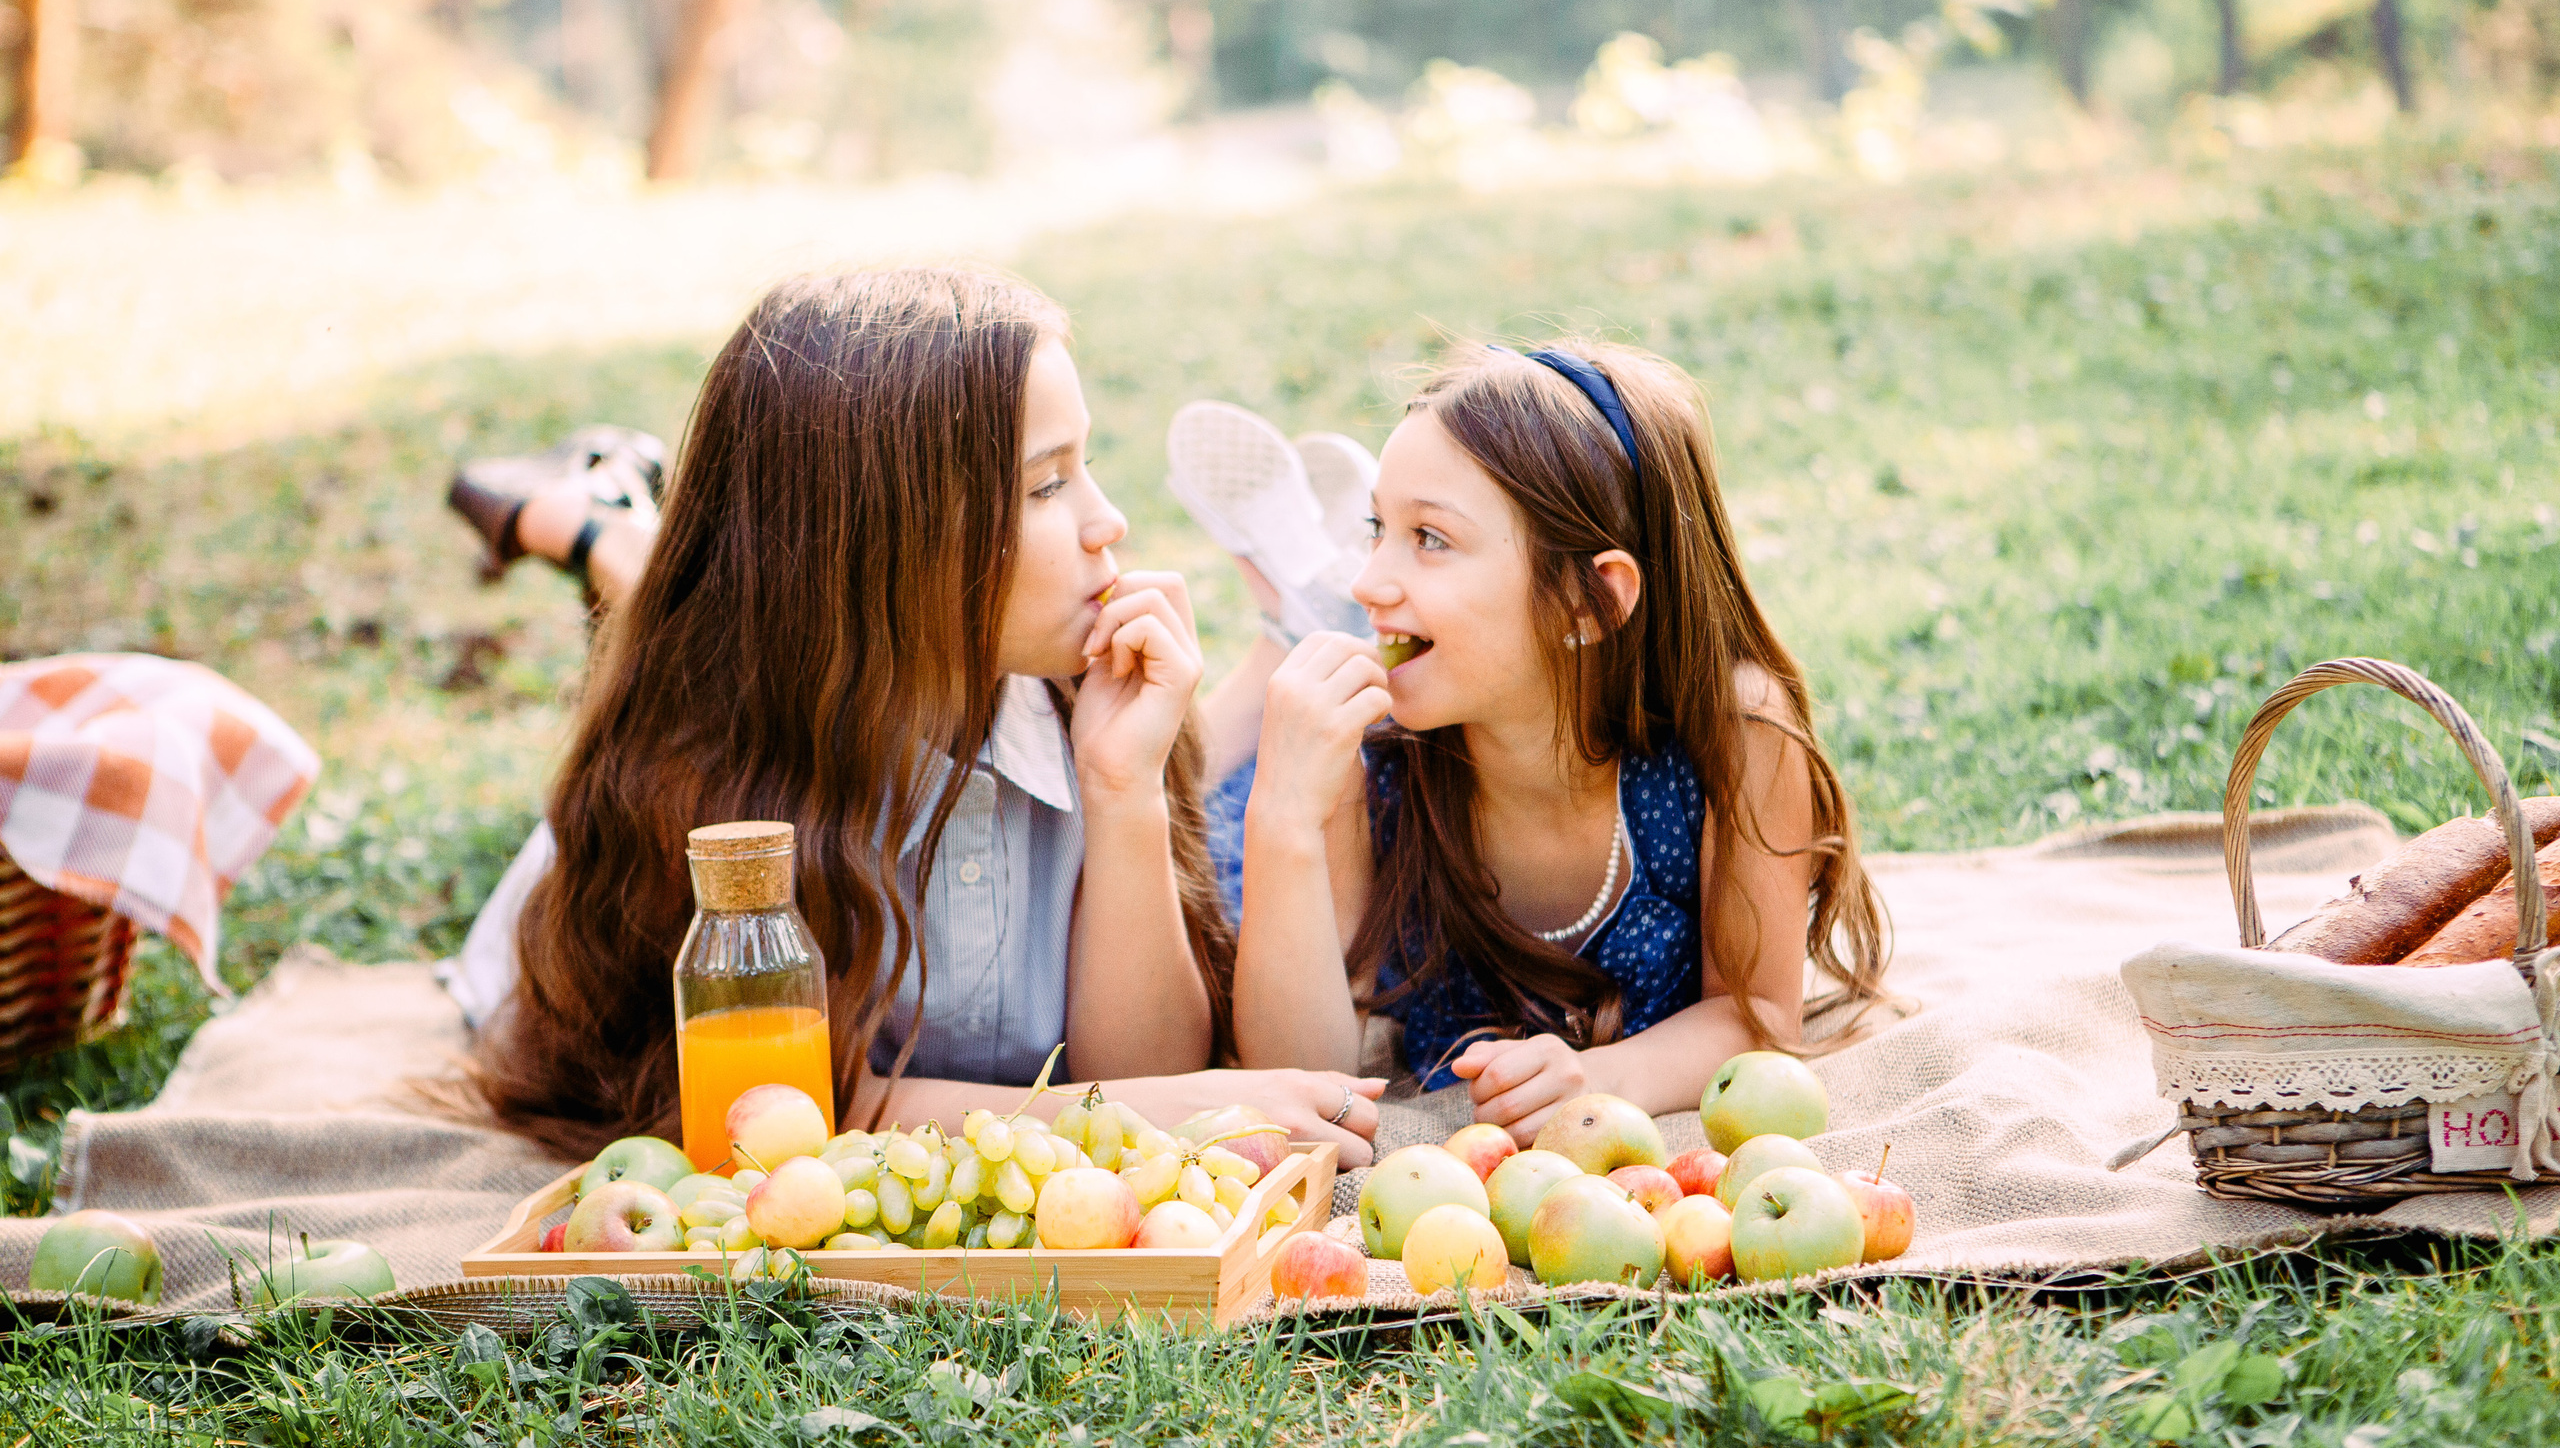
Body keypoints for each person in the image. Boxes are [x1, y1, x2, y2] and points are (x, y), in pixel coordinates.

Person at [446, 268, 1385, 1161]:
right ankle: (576, 516)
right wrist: (1115, 1115)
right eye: (1047, 485)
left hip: (835, 629)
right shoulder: (699, 769)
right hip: (725, 722)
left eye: (1085, 464)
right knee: (680, 605)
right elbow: (780, 1115)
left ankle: (601, 512)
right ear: (888, 541)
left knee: (713, 594)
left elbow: (1148, 1073)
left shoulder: (1084, 705)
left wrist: (1122, 786)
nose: (1111, 522)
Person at [1181, 340, 1889, 1145]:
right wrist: (1280, 815)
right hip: (1255, 824)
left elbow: (1758, 1012)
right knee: (1198, 801)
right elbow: (1301, 1078)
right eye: (1377, 529)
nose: (1368, 579)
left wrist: (1603, 1077)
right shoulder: (1372, 745)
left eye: (1430, 537)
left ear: (1591, 601)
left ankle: (1301, 608)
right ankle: (1285, 632)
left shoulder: (1735, 732)